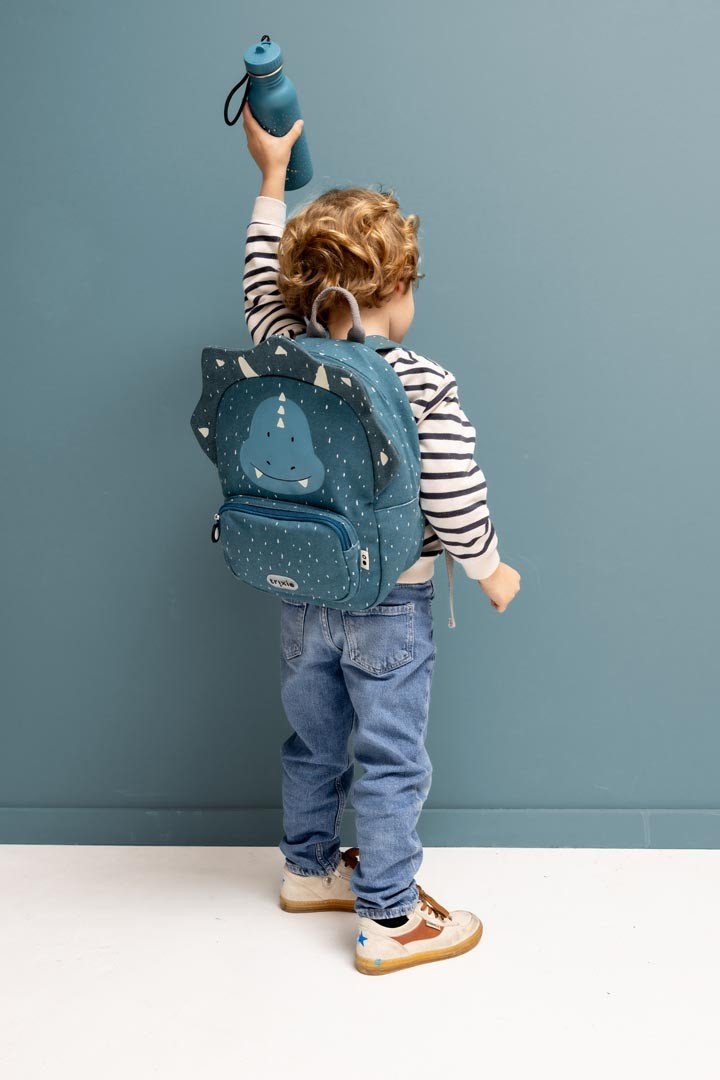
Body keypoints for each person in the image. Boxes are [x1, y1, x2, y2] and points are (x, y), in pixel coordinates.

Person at [240, 106, 521, 974]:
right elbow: (454, 496)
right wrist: (489, 568)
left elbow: (257, 289)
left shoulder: (284, 353)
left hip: (301, 589)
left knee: (312, 735)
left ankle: (308, 867)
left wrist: (270, 183)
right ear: (397, 291)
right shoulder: (424, 381)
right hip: (390, 603)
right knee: (391, 757)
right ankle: (391, 919)